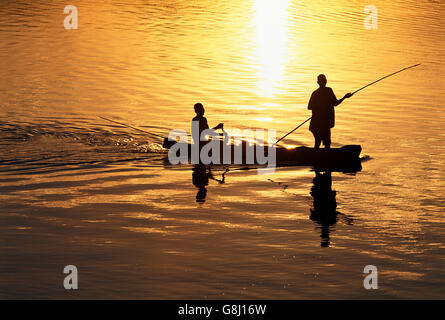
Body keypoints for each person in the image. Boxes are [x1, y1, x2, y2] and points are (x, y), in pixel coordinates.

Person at [308, 75, 353, 149]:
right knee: (320, 141)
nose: (324, 81)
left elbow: (335, 103)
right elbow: (309, 107)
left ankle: (320, 156)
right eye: (322, 80)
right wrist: (321, 108)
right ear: (318, 82)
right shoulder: (316, 93)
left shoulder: (329, 91)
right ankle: (318, 157)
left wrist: (345, 97)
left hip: (325, 122)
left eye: (325, 80)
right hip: (317, 123)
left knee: (326, 142)